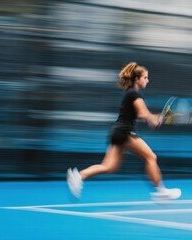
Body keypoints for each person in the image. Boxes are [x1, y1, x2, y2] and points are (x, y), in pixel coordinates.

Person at [67, 62, 181, 200]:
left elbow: (147, 118)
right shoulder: (135, 95)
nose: (147, 80)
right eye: (145, 77)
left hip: (117, 132)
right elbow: (143, 114)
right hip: (124, 133)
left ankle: (79, 176)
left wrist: (157, 119)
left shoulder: (131, 94)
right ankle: (160, 191)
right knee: (151, 157)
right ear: (137, 79)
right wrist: (157, 118)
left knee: (109, 167)